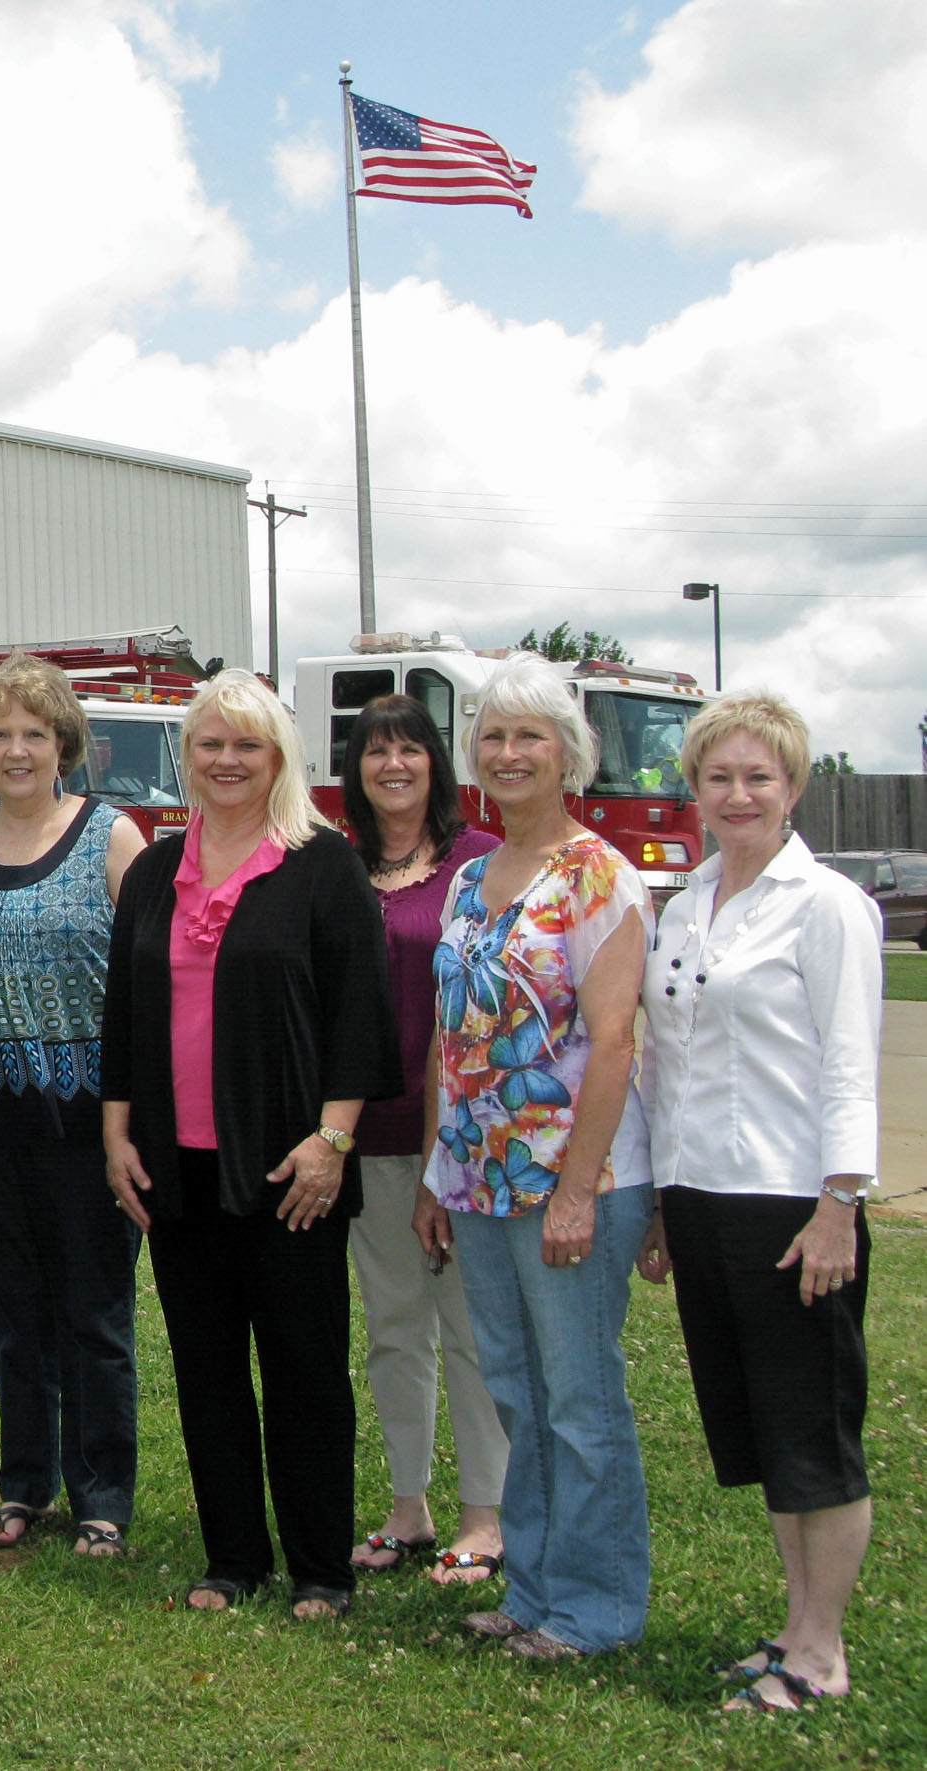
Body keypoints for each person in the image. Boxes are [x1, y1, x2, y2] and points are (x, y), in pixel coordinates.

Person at [101, 669, 396, 1622]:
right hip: (176, 1167)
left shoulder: (322, 863)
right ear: (186, 757)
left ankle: (320, 1566)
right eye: (209, 745)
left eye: (248, 746)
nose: (226, 762)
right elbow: (121, 1016)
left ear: (279, 757)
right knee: (207, 1365)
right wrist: (116, 1135)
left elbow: (361, 1010)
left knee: (305, 1367)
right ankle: (232, 1556)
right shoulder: (155, 867)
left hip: (288, 1166)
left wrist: (332, 1138)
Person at [637, 691, 879, 1715]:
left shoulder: (823, 905)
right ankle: (790, 1625)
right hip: (701, 1201)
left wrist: (837, 1203)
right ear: (691, 788)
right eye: (717, 776)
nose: (736, 795)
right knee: (756, 1430)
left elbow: (847, 1067)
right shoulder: (685, 903)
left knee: (809, 1430)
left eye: (757, 777)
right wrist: (657, 1202)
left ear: (791, 788)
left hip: (790, 1207)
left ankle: (819, 1652)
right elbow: (665, 1062)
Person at [416, 655, 658, 1662]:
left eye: (529, 737)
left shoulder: (599, 874)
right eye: (492, 736)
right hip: (477, 1178)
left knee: (578, 1398)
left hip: (572, 1179)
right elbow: (450, 1033)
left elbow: (610, 1043)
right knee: (513, 1388)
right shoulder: (469, 877)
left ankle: (594, 1610)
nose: (507, 753)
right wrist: (439, 1170)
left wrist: (573, 1190)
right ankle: (534, 1589)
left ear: (568, 755)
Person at [0, 655, 150, 1558]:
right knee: (15, 1312)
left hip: (91, 1119)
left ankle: (102, 1494)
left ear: (64, 741)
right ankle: (24, 1484)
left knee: (95, 1314)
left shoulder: (113, 837)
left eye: (34, 732)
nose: (17, 749)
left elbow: (153, 984)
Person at [335, 696, 509, 1586]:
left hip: (460, 1143)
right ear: (354, 770)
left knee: (469, 1328)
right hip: (365, 1137)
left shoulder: (478, 864)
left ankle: (486, 1514)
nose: (393, 765)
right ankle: (409, 1506)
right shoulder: (338, 864)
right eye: (375, 752)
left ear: (436, 764)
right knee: (393, 1327)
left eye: (409, 749)